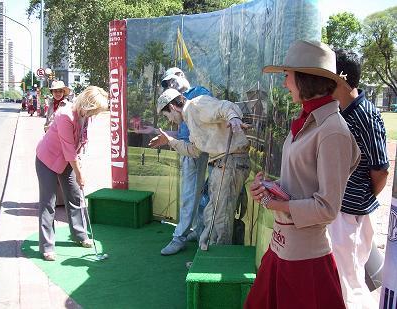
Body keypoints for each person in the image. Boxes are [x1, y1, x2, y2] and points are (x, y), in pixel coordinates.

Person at [245, 40, 361, 309]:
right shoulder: (307, 120)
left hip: (304, 261)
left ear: (305, 79)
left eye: (288, 75)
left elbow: (328, 207)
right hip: (281, 248)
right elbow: (300, 182)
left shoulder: (332, 131)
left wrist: (279, 204)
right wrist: (269, 188)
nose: (285, 83)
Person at [149, 88, 250, 249]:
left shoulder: (197, 105)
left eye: (166, 114)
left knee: (220, 218)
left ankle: (217, 263)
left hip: (230, 163)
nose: (169, 120)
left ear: (173, 107)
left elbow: (224, 106)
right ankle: (210, 258)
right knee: (212, 215)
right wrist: (170, 141)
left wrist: (234, 117)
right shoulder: (190, 118)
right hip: (224, 164)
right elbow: (194, 151)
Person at [327, 49, 389, 308]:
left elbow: (380, 170)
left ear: (340, 77)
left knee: (350, 283)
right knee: (339, 279)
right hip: (339, 210)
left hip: (351, 215)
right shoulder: (339, 111)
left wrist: (359, 202)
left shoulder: (365, 113)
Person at [35, 86, 109, 261]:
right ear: (87, 103)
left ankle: (80, 235)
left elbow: (79, 142)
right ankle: (47, 246)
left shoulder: (85, 115)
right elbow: (68, 149)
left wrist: (79, 167)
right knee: (48, 202)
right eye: (95, 110)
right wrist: (79, 173)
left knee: (75, 197)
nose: (95, 114)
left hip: (67, 161)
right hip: (48, 160)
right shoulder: (65, 115)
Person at [159, 67, 212, 255]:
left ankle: (180, 237)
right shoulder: (175, 99)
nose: (169, 86)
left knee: (197, 194)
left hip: (206, 149)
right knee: (192, 193)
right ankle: (194, 231)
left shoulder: (200, 93)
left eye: (171, 81)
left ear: (181, 76)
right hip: (190, 148)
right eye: (166, 85)